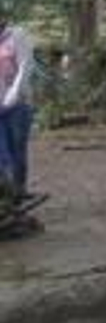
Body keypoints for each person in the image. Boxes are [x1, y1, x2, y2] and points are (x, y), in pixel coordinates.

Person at [0, 13, 35, 198]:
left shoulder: (17, 35)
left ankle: (18, 190)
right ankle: (5, 194)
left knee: (17, 150)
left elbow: (25, 66)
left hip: (18, 104)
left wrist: (12, 96)